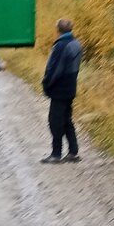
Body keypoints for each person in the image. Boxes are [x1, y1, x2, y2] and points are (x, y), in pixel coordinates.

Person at [41, 18, 82, 163]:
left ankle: (56, 154)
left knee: (55, 122)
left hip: (59, 88)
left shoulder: (60, 46)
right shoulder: (76, 43)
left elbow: (54, 69)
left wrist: (47, 83)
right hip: (71, 87)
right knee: (66, 120)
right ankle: (73, 151)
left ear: (58, 29)